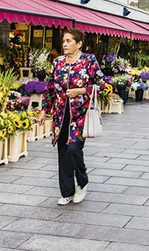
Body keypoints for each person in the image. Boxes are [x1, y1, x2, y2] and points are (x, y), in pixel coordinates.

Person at [38, 28, 102, 205]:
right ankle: (67, 192)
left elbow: (104, 85)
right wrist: (44, 110)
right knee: (63, 152)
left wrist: (82, 91)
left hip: (80, 114)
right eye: (64, 41)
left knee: (73, 149)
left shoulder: (89, 61)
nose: (65, 44)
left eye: (69, 41)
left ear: (79, 43)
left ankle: (82, 182)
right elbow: (50, 87)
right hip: (61, 114)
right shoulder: (58, 62)